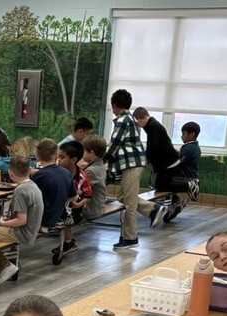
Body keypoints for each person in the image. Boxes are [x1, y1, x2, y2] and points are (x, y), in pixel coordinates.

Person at [0, 154, 43, 289]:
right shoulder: (33, 186)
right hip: (30, 230)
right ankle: (4, 265)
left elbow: (21, 220)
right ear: (29, 170)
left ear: (11, 174)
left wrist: (2, 223)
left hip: (22, 232)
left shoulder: (20, 191)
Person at [133, 107, 196, 223]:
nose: (138, 125)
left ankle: (188, 185)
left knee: (161, 186)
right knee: (159, 186)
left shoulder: (152, 127)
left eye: (137, 121)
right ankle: (177, 200)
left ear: (141, 118)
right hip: (168, 162)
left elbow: (153, 147)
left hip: (168, 163)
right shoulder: (152, 125)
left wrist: (145, 159)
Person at [104, 89, 149, 251]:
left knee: (129, 203)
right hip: (132, 164)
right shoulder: (130, 118)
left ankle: (130, 238)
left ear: (115, 106)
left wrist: (103, 158)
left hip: (131, 165)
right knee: (122, 197)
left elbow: (115, 143)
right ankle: (152, 209)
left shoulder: (122, 120)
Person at [32, 138, 73, 231]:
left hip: (42, 220)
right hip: (60, 218)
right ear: (56, 155)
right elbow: (73, 197)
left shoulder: (39, 176)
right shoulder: (66, 173)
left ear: (37, 157)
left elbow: (30, 198)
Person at [80, 134, 109, 221]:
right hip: (98, 206)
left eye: (83, 151)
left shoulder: (91, 171)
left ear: (91, 153)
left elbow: (78, 189)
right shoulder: (100, 165)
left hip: (90, 210)